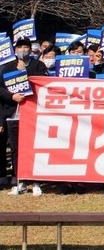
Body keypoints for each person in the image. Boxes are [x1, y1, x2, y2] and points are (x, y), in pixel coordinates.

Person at [2, 38, 47, 196]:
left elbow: (44, 84)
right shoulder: (7, 68)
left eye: (26, 47)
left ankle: (35, 181)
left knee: (33, 148)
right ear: (15, 50)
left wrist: (23, 73)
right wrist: (12, 96)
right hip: (13, 115)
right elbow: (1, 90)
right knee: (16, 150)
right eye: (20, 47)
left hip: (33, 114)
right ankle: (19, 180)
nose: (23, 49)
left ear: (30, 48)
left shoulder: (38, 66)